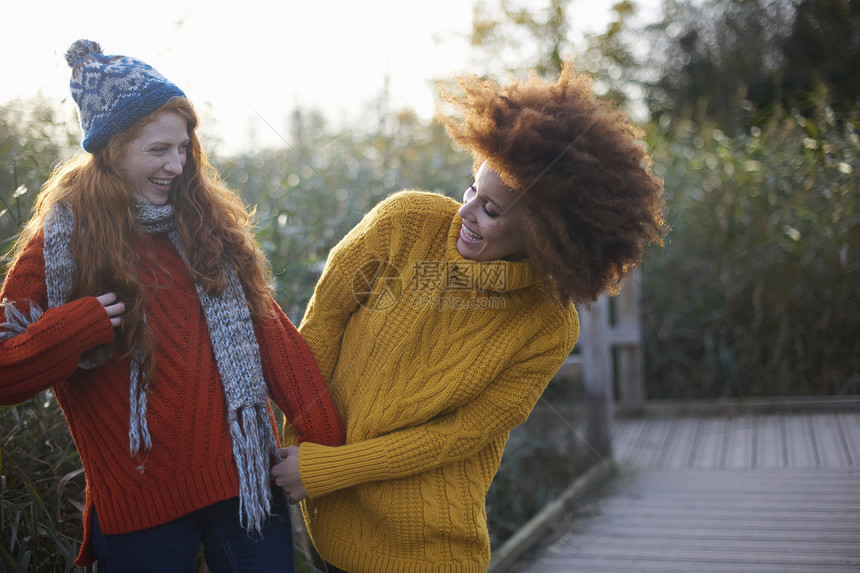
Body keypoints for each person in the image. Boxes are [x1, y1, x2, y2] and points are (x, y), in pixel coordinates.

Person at [270, 62, 667, 572]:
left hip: (432, 551)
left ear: (545, 235)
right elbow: (319, 326)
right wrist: (294, 446)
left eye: (493, 212)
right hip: (330, 533)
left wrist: (327, 469)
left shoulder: (548, 327)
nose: (467, 213)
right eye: (470, 191)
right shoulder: (403, 224)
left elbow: (458, 436)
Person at [0, 40, 344, 572]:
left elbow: (272, 337)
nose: (178, 165)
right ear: (112, 148)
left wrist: (328, 454)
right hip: (140, 507)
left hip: (245, 488)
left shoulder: (206, 226)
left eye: (184, 148)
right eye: (158, 150)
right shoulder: (62, 243)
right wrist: (72, 328)